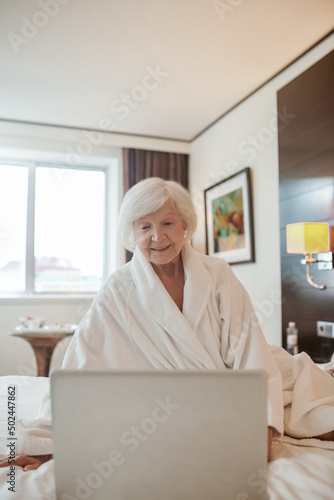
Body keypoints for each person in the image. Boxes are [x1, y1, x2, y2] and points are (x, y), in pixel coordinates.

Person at [1, 177, 334, 472]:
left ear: (185, 225)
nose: (157, 236)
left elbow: (250, 352)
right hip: (199, 400)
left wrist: (260, 425)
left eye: (168, 223)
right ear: (131, 233)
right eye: (144, 227)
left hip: (256, 372)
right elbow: (81, 364)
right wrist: (52, 444)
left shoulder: (217, 274)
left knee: (317, 411)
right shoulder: (118, 288)